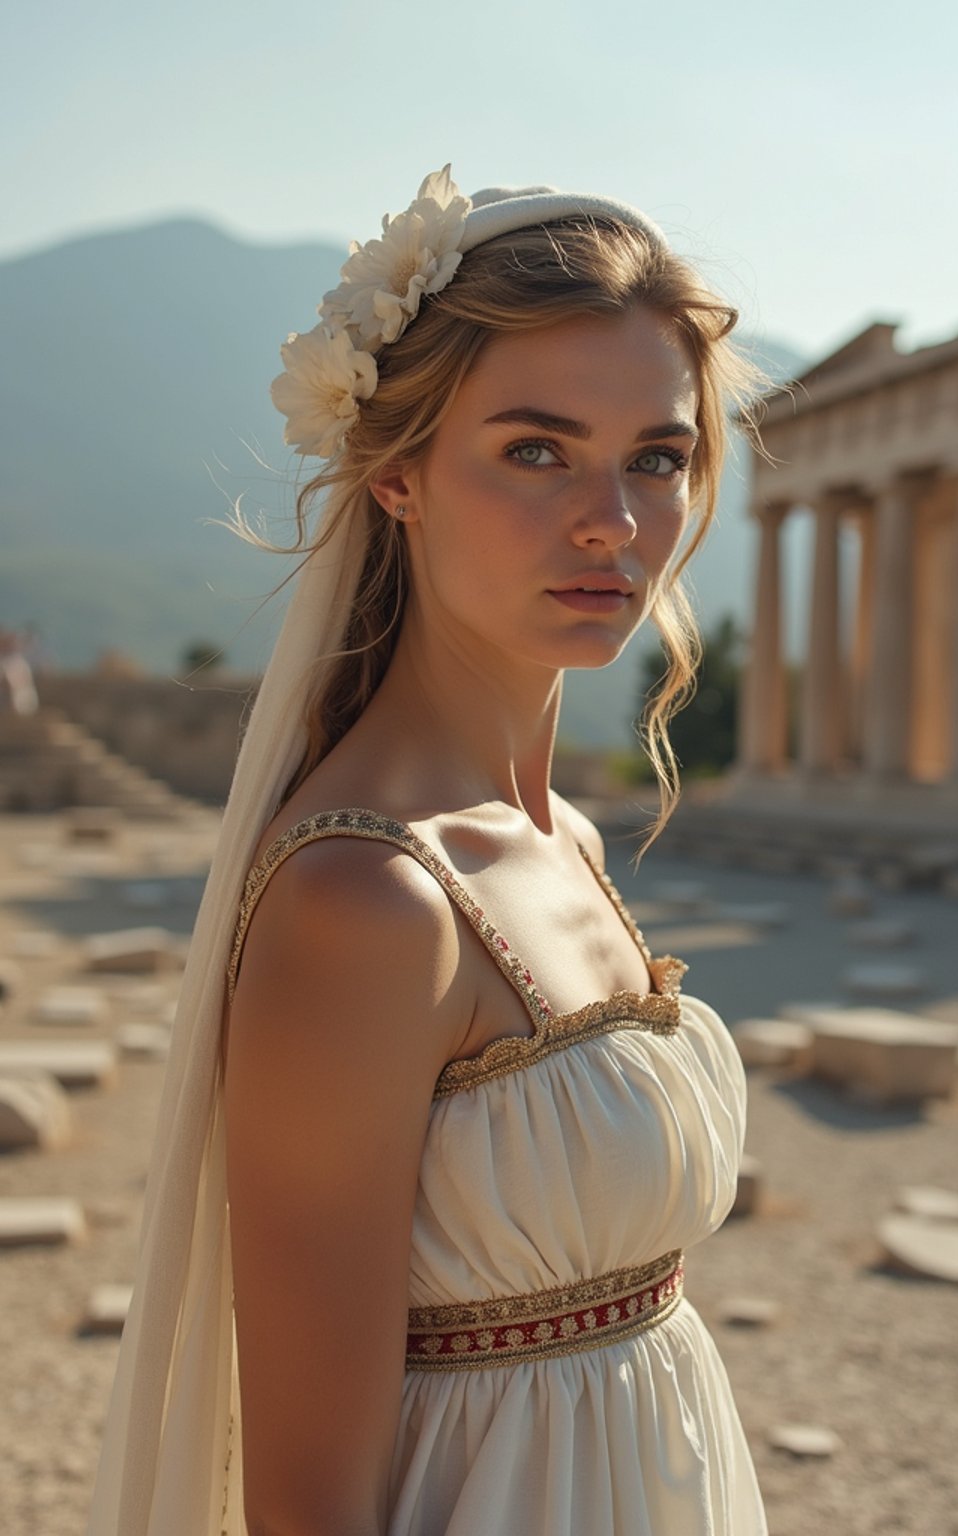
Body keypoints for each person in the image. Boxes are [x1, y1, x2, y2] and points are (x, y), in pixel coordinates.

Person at [86, 168, 770, 1536]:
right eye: (535, 449)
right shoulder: (371, 902)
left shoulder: (561, 831)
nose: (615, 524)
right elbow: (304, 1502)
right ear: (396, 475)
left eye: (656, 455)